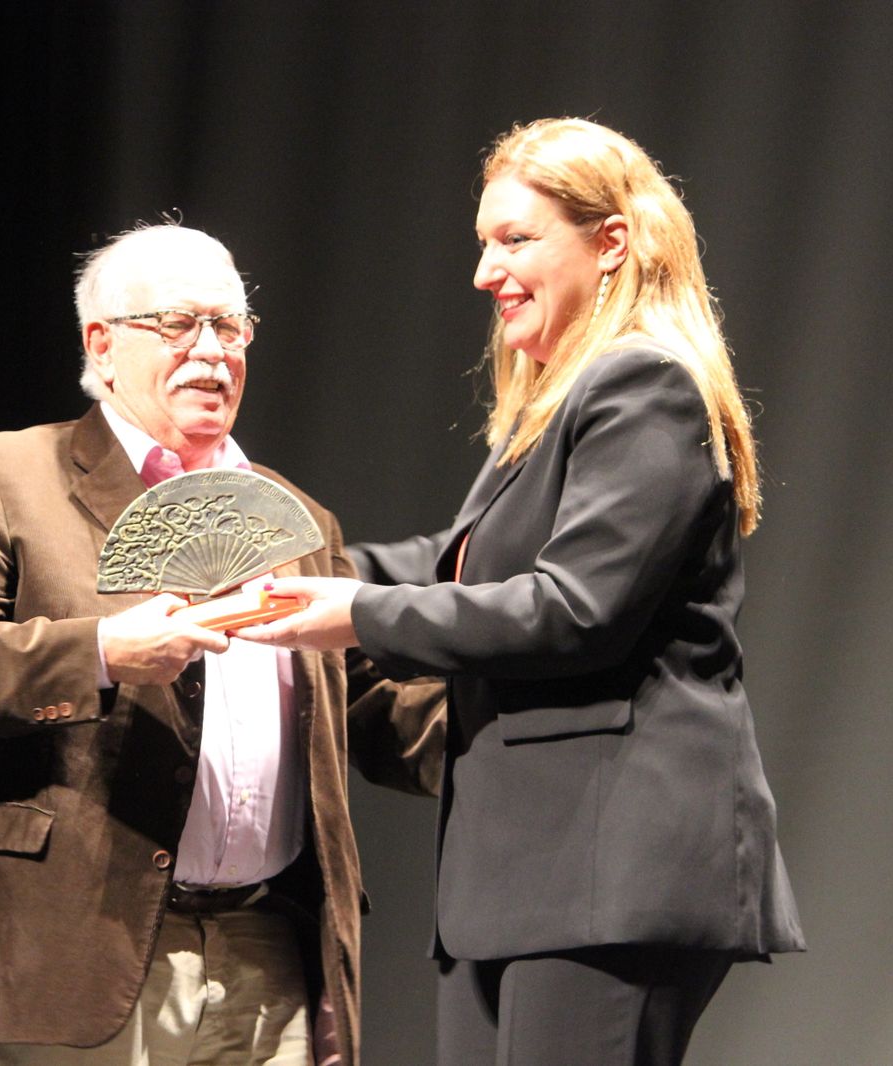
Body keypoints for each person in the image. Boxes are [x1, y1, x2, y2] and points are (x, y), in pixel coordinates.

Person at [237, 118, 805, 1065]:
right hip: (529, 874)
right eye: (481, 244)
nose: (484, 273)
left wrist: (355, 618)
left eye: (515, 239)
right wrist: (301, 580)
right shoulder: (559, 398)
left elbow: (575, 609)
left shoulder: (646, 385)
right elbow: (457, 560)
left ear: (611, 243)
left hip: (609, 866)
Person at [0, 223, 363, 1066]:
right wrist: (98, 650)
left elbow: (374, 707)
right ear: (101, 342)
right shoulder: (7, 474)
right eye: (178, 325)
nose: (212, 350)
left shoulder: (298, 518)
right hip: (76, 943)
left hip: (266, 955)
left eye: (231, 326)